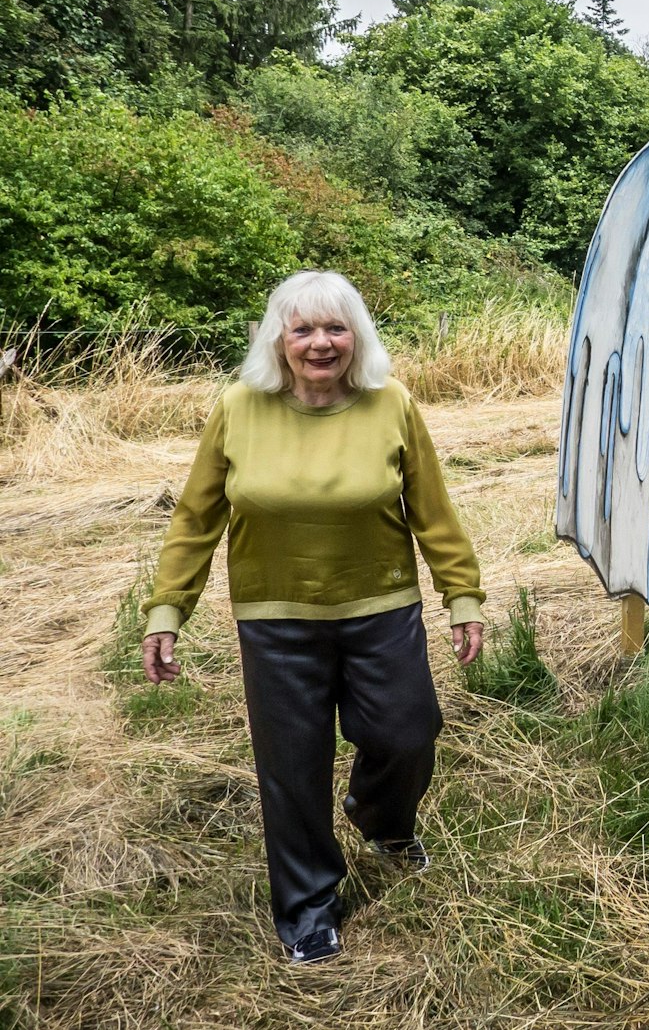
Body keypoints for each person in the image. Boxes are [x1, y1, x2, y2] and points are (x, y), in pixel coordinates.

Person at [138, 271, 486, 966]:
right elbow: (196, 517)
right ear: (280, 338)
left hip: (381, 604)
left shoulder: (391, 403)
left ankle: (381, 819)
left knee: (408, 730)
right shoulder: (239, 406)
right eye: (303, 329)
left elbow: (434, 512)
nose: (320, 342)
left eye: (335, 327)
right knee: (291, 766)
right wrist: (167, 608)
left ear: (356, 336)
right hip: (277, 617)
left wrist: (462, 595)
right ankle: (307, 909)